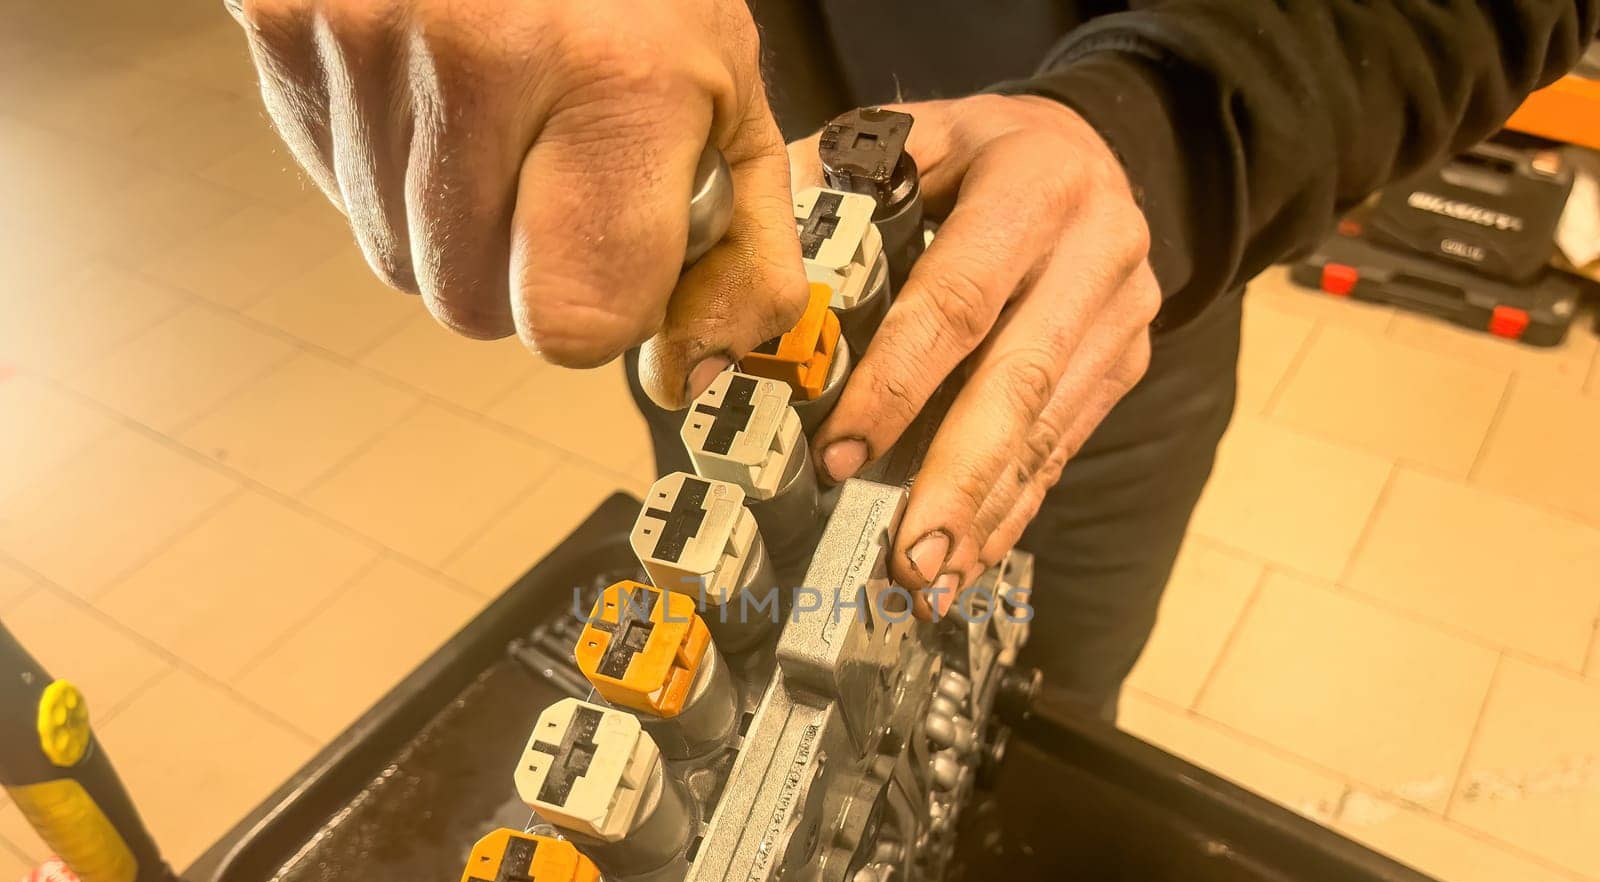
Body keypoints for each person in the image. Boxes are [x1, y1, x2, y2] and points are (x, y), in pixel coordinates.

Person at [226, 0, 1597, 714]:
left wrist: (1170, 127)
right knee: (744, 664)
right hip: (718, 298)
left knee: (1023, 749)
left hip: (1085, 278)